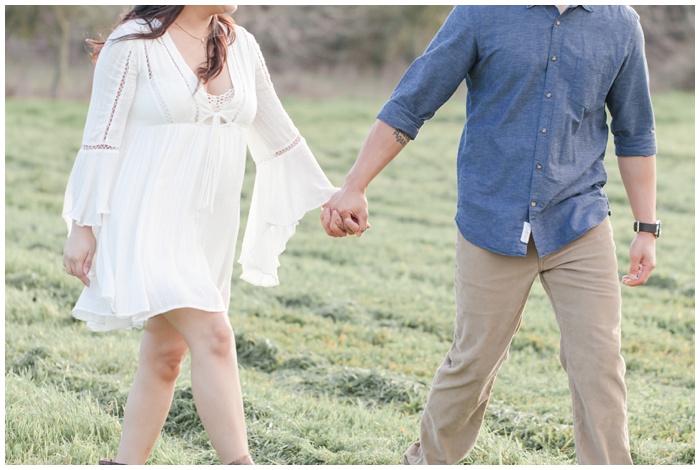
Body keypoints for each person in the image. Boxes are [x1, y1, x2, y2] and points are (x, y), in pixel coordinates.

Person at [321, 5, 658, 465]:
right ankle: (428, 460)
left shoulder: (620, 23)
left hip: (579, 221)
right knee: (473, 363)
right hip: (492, 218)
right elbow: (412, 101)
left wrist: (647, 228)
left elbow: (635, 130)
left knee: (600, 365)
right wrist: (355, 185)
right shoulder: (482, 12)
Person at [62, 5, 337, 465]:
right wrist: (83, 225)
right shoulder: (131, 45)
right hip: (145, 216)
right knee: (214, 337)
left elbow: (279, 136)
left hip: (206, 226)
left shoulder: (241, 45)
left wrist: (331, 197)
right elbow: (100, 138)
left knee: (165, 355)